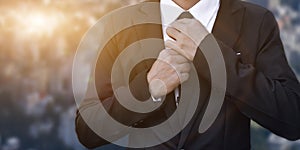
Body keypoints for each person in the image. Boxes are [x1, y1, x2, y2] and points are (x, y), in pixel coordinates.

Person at [75, 0, 300, 149]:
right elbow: (88, 130)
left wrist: (212, 56)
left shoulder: (256, 21)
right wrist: (147, 89)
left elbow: (292, 119)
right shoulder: (120, 24)